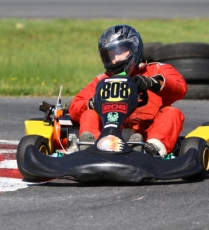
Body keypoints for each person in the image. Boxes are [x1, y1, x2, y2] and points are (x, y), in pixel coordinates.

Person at [68, 24, 187, 156]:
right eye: (111, 55)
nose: (116, 59)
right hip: (108, 135)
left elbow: (180, 87)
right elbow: (74, 108)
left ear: (134, 49)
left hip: (147, 134)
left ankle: (152, 150)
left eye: (120, 52)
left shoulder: (156, 70)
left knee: (172, 113)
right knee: (89, 113)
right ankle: (90, 148)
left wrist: (153, 82)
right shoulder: (103, 80)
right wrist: (93, 103)